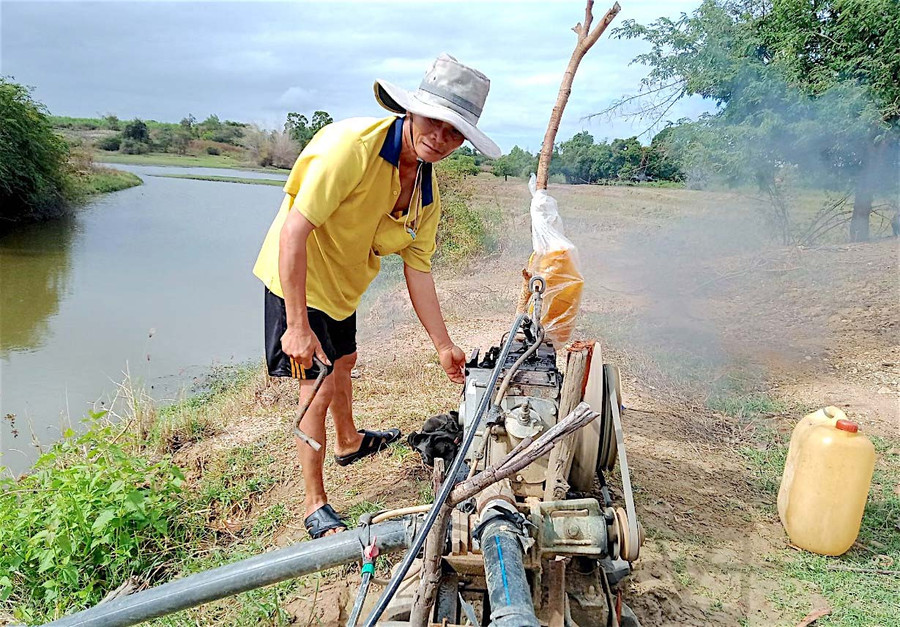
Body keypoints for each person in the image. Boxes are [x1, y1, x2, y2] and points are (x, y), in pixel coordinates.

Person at [253, 54, 501, 538]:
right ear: (411, 110)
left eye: (454, 132)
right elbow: (293, 232)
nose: (440, 138)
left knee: (345, 360)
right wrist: (297, 326)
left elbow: (419, 269)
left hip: (343, 287)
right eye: (433, 121)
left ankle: (348, 442)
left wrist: (443, 345)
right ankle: (314, 504)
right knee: (317, 386)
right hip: (300, 279)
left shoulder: (426, 191)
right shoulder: (351, 149)